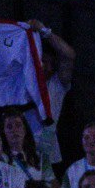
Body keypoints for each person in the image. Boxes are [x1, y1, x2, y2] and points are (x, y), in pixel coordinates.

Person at [23, 18, 76, 167]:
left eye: (48, 63)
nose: (44, 66)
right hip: (19, 150)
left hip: (47, 153)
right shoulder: (21, 82)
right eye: (41, 61)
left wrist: (44, 31)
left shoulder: (56, 84)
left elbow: (69, 55)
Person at [1, 109, 54, 185]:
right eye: (9, 127)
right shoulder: (0, 159)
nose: (14, 130)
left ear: (24, 129)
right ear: (4, 132)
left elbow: (52, 182)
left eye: (18, 125)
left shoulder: (39, 155)